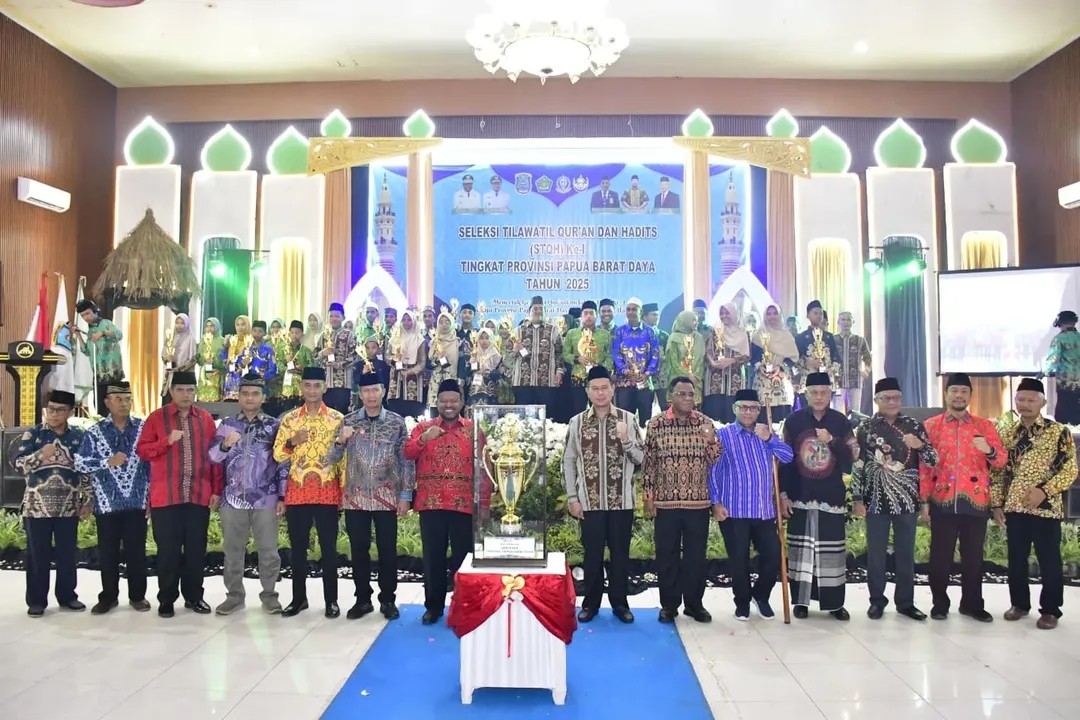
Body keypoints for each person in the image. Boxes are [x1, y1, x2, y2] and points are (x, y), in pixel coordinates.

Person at [992, 377, 1078, 630]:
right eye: (1021, 399)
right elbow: (998, 472)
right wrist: (997, 504)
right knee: (1016, 559)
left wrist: (1044, 491)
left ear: (1043, 402)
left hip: (1046, 508)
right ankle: (1019, 604)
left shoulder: (1058, 432)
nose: (1026, 404)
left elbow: (1070, 469)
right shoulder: (1007, 433)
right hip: (1015, 507)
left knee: (1049, 560)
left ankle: (1050, 610)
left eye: (1031, 400)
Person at [920, 372, 1007, 622]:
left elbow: (1001, 461)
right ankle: (939, 603)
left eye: (964, 391)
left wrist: (988, 450)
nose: (959, 396)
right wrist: (923, 500)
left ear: (970, 395)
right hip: (942, 499)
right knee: (940, 557)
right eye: (954, 391)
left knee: (973, 557)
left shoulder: (984, 426)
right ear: (946, 394)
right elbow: (924, 466)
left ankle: (972, 604)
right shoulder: (931, 426)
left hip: (975, 500)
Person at [328, 370, 414, 621]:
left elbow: (406, 461)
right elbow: (332, 458)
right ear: (360, 394)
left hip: (387, 497)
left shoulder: (396, 422)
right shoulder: (348, 421)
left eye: (375, 390)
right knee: (358, 550)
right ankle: (362, 599)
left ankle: (388, 600)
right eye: (366, 391)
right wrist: (340, 441)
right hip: (355, 498)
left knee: (387, 551)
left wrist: (405, 495)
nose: (371, 395)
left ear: (383, 392)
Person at [135, 371, 222, 618]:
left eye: (190, 390)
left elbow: (214, 457)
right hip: (166, 497)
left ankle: (194, 597)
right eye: (180, 390)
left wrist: (216, 490)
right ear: (172, 392)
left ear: (195, 392)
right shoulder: (156, 418)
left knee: (196, 550)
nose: (185, 395)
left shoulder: (205, 419)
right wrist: (166, 441)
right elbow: (143, 451)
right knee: (168, 552)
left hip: (198, 495)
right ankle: (166, 600)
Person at [563, 366, 644, 624]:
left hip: (622, 501)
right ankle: (591, 604)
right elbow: (568, 461)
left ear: (613, 389)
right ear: (588, 392)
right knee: (592, 555)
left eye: (604, 388)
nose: (600, 393)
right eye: (595, 389)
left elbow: (641, 458)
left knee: (620, 555)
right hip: (589, 502)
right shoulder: (576, 422)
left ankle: (620, 604)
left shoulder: (627, 419)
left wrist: (626, 440)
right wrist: (572, 498)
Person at [852, 377, 938, 621]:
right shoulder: (866, 428)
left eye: (896, 398)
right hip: (875, 500)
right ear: (877, 400)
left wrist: (920, 445)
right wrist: (857, 498)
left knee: (905, 554)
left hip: (907, 501)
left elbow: (933, 461)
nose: (892, 402)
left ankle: (906, 603)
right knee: (876, 555)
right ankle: (876, 601)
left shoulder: (914, 425)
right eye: (886, 398)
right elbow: (858, 465)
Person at [403, 379, 488, 625]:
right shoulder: (423, 428)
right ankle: (433, 607)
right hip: (431, 504)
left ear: (461, 403)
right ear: (437, 402)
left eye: (453, 400)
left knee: (464, 559)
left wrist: (484, 504)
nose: (449, 405)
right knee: (433, 559)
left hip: (463, 505)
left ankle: (465, 607)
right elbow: (407, 453)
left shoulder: (474, 430)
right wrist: (424, 439)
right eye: (444, 401)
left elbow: (484, 468)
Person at [708, 389, 794, 620]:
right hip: (733, 510)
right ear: (734, 409)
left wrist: (769, 439)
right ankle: (742, 602)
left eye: (753, 408)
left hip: (764, 510)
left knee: (773, 554)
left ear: (759, 410)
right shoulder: (723, 435)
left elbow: (788, 457)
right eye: (743, 407)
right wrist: (715, 503)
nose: (748, 412)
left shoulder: (765, 433)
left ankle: (761, 595)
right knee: (739, 560)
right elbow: (713, 471)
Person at [643, 376, 721, 623]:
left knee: (696, 556)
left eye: (691, 394)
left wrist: (711, 440)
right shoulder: (656, 424)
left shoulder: (705, 423)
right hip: (666, 502)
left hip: (698, 502)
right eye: (682, 394)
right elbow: (649, 463)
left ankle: (694, 604)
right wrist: (648, 496)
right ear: (670, 397)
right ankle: (669, 605)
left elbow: (716, 459)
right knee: (666, 555)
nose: (687, 398)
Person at [209, 374, 286, 615]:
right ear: (239, 397)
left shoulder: (274, 426)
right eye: (245, 394)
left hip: (266, 499)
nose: (250, 398)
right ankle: (234, 596)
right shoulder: (227, 425)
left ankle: (269, 596)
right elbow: (212, 457)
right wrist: (225, 445)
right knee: (233, 551)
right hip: (232, 499)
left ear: (263, 397)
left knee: (268, 550)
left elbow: (283, 462)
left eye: (255, 394)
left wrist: (282, 496)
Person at [780, 371, 856, 620]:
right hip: (800, 494)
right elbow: (785, 460)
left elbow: (853, 456)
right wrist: (783, 494)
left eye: (824, 392)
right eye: (814, 392)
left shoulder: (840, 421)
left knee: (831, 552)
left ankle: (834, 604)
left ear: (830, 394)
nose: (819, 397)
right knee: (801, 552)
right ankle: (801, 602)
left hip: (831, 496)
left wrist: (832, 440)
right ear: (806, 394)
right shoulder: (793, 421)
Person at [273, 366, 345, 618]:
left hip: (327, 492)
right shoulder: (290, 419)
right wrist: (293, 441)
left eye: (317, 386)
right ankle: (298, 599)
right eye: (307, 385)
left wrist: (343, 490)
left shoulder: (336, 418)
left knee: (328, 549)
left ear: (324, 388)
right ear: (301, 387)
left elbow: (343, 459)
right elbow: (278, 454)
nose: (312, 390)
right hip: (298, 492)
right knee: (298, 549)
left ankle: (331, 601)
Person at [74, 381, 151, 615]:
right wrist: (107, 462)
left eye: (127, 399)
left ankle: (137, 596)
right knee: (108, 554)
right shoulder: (95, 432)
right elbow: (80, 463)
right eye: (118, 399)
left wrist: (151, 497)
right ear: (107, 402)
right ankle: (108, 597)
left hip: (137, 502)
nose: (123, 403)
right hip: (106, 503)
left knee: (136, 553)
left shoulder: (143, 428)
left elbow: (152, 464)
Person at [14, 390, 89, 617]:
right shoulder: (34, 434)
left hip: (68, 506)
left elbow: (86, 471)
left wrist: (88, 501)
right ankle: (37, 601)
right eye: (50, 409)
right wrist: (40, 455)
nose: (54, 414)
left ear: (70, 412)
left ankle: (67, 596)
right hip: (37, 507)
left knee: (67, 555)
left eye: (59, 410)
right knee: (38, 556)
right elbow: (18, 464)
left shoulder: (78, 437)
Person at [510, 295, 564, 418]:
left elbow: (559, 353)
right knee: (523, 417)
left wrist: (559, 371)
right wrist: (515, 349)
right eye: (535, 309)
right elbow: (508, 355)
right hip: (523, 381)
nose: (538, 311)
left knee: (546, 416)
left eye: (541, 309)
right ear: (529, 311)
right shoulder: (518, 331)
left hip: (546, 381)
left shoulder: (553, 330)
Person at [612, 297, 660, 425]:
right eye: (628, 309)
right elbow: (616, 354)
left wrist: (648, 372)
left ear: (641, 312)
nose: (631, 312)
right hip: (624, 383)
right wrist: (624, 371)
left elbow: (655, 354)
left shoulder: (649, 332)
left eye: (634, 309)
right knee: (625, 421)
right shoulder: (619, 331)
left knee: (645, 420)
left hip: (644, 382)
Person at [562, 301, 614, 418]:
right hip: (578, 377)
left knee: (600, 410)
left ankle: (600, 429)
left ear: (596, 316)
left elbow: (609, 356)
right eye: (586, 313)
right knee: (578, 411)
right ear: (581, 315)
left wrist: (601, 368)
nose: (589, 316)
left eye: (591, 313)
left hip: (598, 378)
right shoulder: (572, 333)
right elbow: (565, 354)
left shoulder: (605, 334)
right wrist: (577, 359)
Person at [702, 302, 750, 423]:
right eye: (721, 313)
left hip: (735, 380)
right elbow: (707, 351)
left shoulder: (743, 332)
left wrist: (732, 360)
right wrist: (712, 362)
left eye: (727, 313)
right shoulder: (715, 331)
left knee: (732, 413)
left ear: (734, 313)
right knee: (714, 414)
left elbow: (747, 356)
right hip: (715, 380)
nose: (724, 316)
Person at [750, 304, 798, 423]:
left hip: (781, 379)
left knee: (783, 418)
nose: (772, 317)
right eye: (769, 314)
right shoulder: (758, 335)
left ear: (780, 315)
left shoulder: (787, 336)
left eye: (775, 313)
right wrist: (760, 366)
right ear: (764, 316)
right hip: (763, 380)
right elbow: (753, 357)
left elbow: (793, 358)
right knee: (763, 419)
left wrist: (780, 368)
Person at [76, 299, 124, 417]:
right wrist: (78, 335)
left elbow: (119, 335)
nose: (86, 318)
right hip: (98, 374)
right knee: (99, 406)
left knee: (114, 405)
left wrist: (103, 333)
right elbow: (86, 351)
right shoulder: (90, 331)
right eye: (83, 316)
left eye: (88, 313)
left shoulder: (106, 323)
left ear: (95, 311)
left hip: (112, 373)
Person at [386, 309, 427, 417]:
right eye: (403, 320)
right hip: (396, 377)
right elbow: (387, 356)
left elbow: (422, 363)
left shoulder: (419, 339)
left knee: (412, 412)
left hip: (413, 378)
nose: (406, 322)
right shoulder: (395, 338)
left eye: (409, 320)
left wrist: (410, 371)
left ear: (414, 321)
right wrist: (395, 361)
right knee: (395, 410)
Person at [794, 300, 840, 395]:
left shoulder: (829, 337)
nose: (819, 316)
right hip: (807, 381)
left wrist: (831, 369)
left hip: (826, 380)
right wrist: (807, 362)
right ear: (808, 315)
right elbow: (795, 359)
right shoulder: (801, 337)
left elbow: (836, 357)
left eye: (821, 313)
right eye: (815, 313)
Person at [318, 302, 357, 415]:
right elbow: (315, 354)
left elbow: (354, 356)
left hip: (343, 382)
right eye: (331, 316)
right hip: (326, 382)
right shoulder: (324, 335)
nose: (334, 319)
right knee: (326, 415)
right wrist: (323, 353)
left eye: (337, 316)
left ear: (343, 317)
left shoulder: (349, 335)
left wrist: (338, 364)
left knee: (341, 414)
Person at [272, 320, 315, 417]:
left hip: (301, 386)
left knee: (301, 411)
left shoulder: (306, 351)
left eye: (297, 333)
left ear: (302, 334)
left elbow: (312, 366)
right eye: (292, 332)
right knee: (287, 411)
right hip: (286, 384)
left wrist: (302, 368)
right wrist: (286, 369)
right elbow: (278, 363)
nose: (294, 335)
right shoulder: (283, 349)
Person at [661, 311, 705, 406]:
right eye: (693, 320)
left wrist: (695, 377)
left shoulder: (699, 338)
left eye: (696, 320)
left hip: (695, 381)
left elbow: (701, 360)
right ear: (685, 321)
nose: (696, 323)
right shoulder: (674, 338)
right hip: (678, 380)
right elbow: (673, 361)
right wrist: (686, 376)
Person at [1044, 310, 1080, 425]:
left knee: (1064, 408)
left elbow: (1053, 358)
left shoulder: (1059, 338)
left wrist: (1045, 371)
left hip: (1066, 380)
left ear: (1060, 322)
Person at [833, 311, 871, 415]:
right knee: (836, 411)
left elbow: (868, 357)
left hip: (855, 380)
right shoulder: (833, 340)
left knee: (855, 412)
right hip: (837, 381)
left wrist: (866, 370)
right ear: (838, 322)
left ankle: (854, 426)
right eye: (843, 320)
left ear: (852, 322)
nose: (846, 322)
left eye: (848, 320)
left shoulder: (860, 340)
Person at [428, 309, 462, 410]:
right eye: (441, 322)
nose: (444, 325)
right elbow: (429, 363)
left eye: (447, 322)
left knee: (450, 407)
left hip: (451, 379)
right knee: (435, 407)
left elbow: (461, 363)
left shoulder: (457, 342)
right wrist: (437, 360)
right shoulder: (434, 342)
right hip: (436, 380)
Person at [160, 313, 198, 401]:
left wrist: (179, 369)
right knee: (168, 400)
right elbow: (163, 353)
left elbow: (193, 359)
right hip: (170, 374)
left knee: (181, 400)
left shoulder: (190, 338)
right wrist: (167, 359)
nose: (179, 325)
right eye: (177, 323)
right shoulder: (170, 337)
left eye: (182, 323)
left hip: (184, 376)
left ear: (187, 324)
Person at [642, 302, 670, 409]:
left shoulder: (664, 336)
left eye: (657, 314)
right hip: (646, 378)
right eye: (653, 314)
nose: (657, 317)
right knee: (646, 409)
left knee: (666, 408)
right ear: (644, 317)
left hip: (662, 378)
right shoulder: (639, 335)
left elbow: (668, 356)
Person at [468, 328, 506, 405]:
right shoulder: (475, 353)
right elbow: (470, 370)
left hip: (490, 384)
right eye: (481, 338)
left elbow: (500, 371)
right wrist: (473, 364)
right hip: (476, 383)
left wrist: (491, 373)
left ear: (491, 339)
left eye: (487, 338)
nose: (484, 341)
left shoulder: (496, 355)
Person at [240, 320, 278, 386]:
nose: (257, 333)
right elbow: (240, 366)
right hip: (247, 382)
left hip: (262, 383)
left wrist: (264, 375)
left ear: (265, 333)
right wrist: (242, 365)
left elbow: (273, 369)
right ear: (251, 332)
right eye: (255, 331)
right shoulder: (247, 349)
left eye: (260, 331)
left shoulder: (269, 350)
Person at [196, 317, 225, 402]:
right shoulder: (203, 340)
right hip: (204, 374)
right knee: (202, 401)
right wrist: (204, 360)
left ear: (217, 327)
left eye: (212, 326)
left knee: (215, 401)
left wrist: (214, 361)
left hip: (216, 374)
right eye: (207, 326)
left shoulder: (222, 341)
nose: (209, 328)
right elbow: (199, 358)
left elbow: (225, 360)